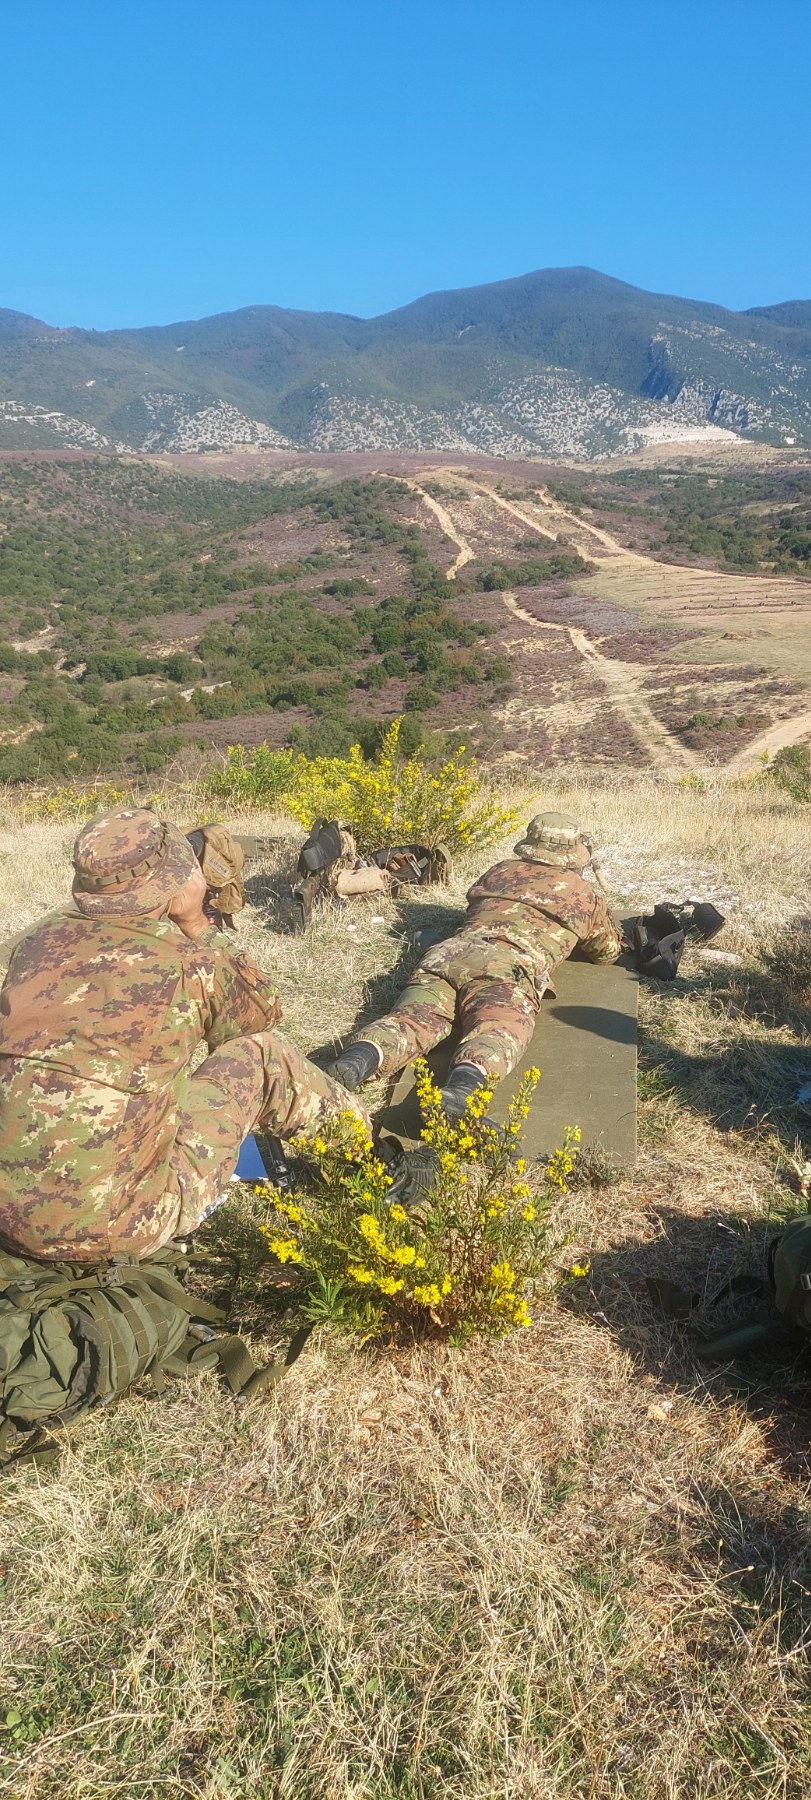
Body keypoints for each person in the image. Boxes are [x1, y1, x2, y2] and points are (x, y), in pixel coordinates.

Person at [0, 809, 367, 1263]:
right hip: (122, 1228)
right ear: (174, 882)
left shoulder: (30, 950)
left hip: (7, 1220)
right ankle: (367, 1158)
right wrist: (196, 923)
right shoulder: (190, 964)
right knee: (261, 1056)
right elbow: (259, 1018)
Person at [330, 812, 623, 1116]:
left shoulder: (498, 871)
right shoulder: (584, 894)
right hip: (505, 967)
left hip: (447, 955)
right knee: (498, 1030)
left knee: (410, 1020)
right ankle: (461, 1090)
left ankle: (357, 1060)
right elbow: (606, 953)